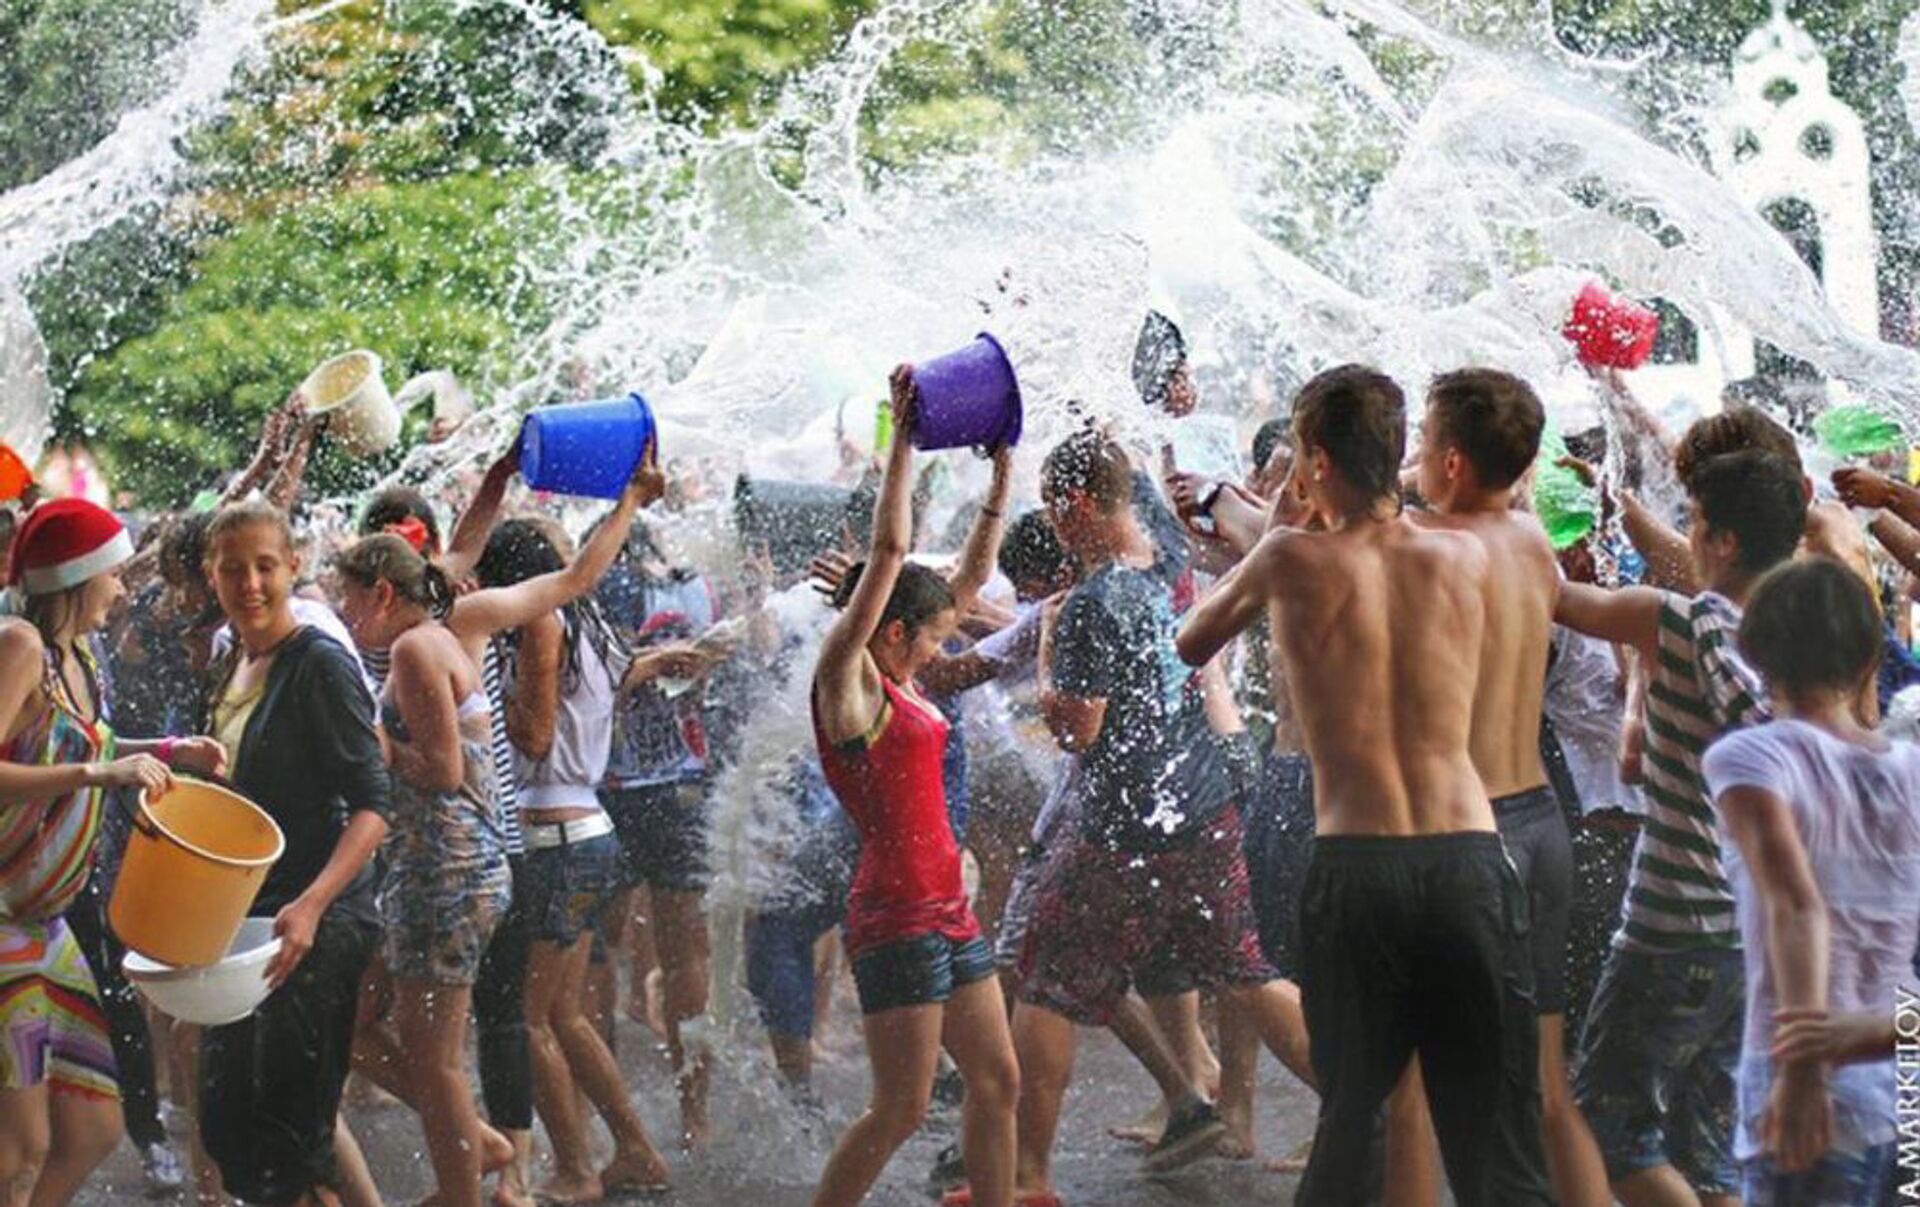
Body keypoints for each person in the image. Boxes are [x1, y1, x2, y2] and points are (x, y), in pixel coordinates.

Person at [1176, 365, 1553, 1204]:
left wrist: (1275, 522)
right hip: (1469, 859)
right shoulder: (1463, 552)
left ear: (1312, 459)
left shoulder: (1287, 558)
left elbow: (1190, 641)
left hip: (1359, 866)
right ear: (1399, 452)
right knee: (1495, 1137)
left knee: (1353, 1122)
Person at [1011, 429, 1312, 1201]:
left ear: (1076, 505)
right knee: (1246, 970)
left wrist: (1045, 654)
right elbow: (1137, 482)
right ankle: (1363, 1109)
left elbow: (1078, 728)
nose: (1049, 524)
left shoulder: (1085, 607)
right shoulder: (1171, 560)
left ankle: (1025, 1178)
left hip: (1124, 830)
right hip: (1204, 804)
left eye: (1053, 508)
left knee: (1044, 978)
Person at [1552, 450, 1808, 1207]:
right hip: (1748, 938)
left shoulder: (1678, 619)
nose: (1683, 536)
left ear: (1723, 540)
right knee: (1708, 1148)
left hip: (1671, 932)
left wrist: (1510, 506)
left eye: (1692, 520)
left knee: (1608, 1127)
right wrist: (1610, 500)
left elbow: (1552, 595)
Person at [807, 366, 1019, 1207]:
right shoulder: (848, 682)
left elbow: (962, 581)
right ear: (891, 631)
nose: (944, 649)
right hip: (894, 919)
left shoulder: (902, 677)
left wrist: (1001, 474)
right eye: (932, 638)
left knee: (998, 1079)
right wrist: (903, 438)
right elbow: (891, 556)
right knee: (900, 1108)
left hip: (948, 910)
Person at [1411, 368, 1611, 1205]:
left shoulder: (1427, 548)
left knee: (1457, 1090)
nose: (1414, 457)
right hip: (1541, 823)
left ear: (1452, 462)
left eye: (1423, 443)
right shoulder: (1531, 539)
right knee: (1540, 1081)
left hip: (1474, 836)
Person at [0, 499, 224, 1207]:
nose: (125, 589)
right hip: (5, 927)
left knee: (95, 1125)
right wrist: (101, 773)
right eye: (116, 575)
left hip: (50, 924)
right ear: (78, 575)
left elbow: (83, 746)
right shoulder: (19, 645)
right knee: (20, 1147)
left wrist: (162, 751)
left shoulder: (80, 653)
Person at [1700, 558, 1920, 1203]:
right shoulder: (1912, 769)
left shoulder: (1753, 757)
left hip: (1809, 1105)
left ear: (1758, 655)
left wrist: (1801, 1073)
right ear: (1864, 662)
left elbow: (1796, 904)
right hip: (1903, 1087)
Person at [195, 500, 391, 1207]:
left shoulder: (319, 663)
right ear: (211, 575)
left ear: (294, 566)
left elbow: (376, 801)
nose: (250, 582)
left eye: (265, 566)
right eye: (233, 568)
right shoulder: (230, 662)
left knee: (289, 1137)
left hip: (314, 920)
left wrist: (312, 903)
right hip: (246, 918)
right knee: (228, 1127)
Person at [333, 535, 512, 1207]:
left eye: (350, 597)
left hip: (447, 869)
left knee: (436, 1062)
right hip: (437, 870)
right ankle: (477, 1141)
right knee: (352, 1021)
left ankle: (465, 1188)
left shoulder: (413, 648)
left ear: (382, 591)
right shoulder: (431, 639)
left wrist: (378, 747)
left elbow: (443, 771)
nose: (347, 614)